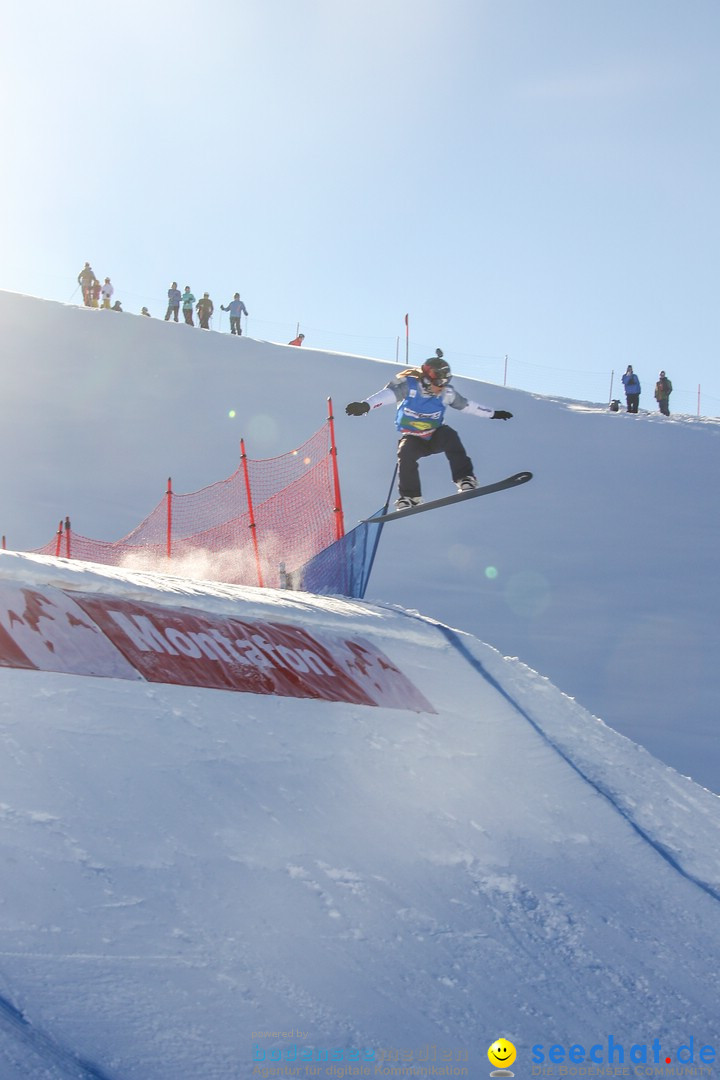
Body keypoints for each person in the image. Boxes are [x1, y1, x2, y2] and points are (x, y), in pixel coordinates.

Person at [345, 348, 513, 510]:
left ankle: (465, 479)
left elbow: (467, 406)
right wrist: (366, 405)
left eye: (445, 383)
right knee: (405, 453)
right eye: (439, 383)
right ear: (427, 379)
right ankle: (411, 496)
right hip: (413, 438)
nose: (441, 387)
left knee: (450, 436)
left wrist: (493, 414)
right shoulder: (409, 387)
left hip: (435, 435)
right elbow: (387, 395)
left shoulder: (446, 393)